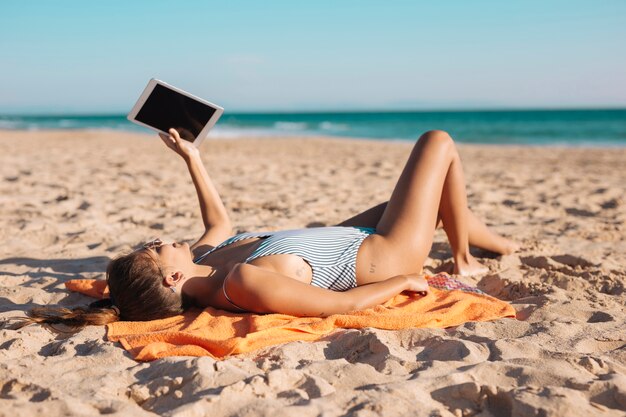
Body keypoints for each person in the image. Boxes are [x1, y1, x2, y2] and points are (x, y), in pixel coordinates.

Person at [22, 128, 518, 329]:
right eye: (154, 252)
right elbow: (341, 306)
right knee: (437, 143)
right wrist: (406, 281)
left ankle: (500, 244)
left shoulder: (205, 261)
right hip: (380, 255)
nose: (155, 242)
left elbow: (219, 221)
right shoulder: (239, 283)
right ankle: (466, 257)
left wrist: (192, 157)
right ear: (173, 280)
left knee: (419, 202)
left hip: (341, 237)